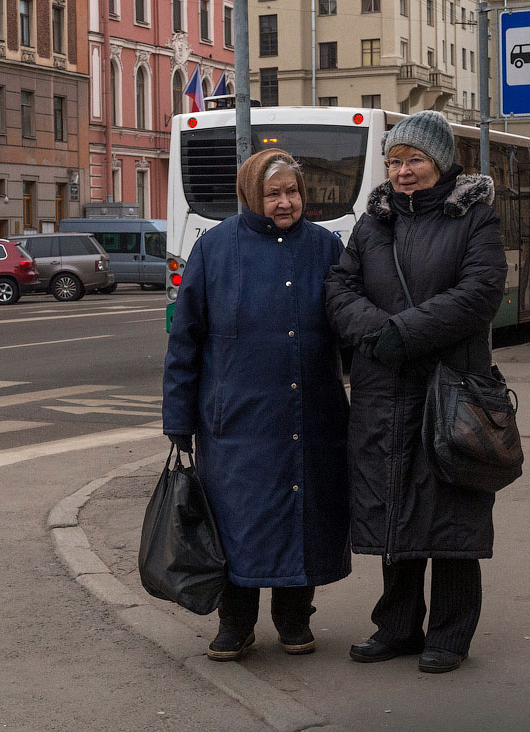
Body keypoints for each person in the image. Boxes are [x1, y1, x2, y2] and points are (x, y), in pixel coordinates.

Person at [325, 110, 507, 674]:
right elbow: (339, 286)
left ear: (442, 163)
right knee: (394, 508)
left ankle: (449, 635)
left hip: (451, 388)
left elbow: (479, 293)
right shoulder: (372, 221)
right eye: (395, 161)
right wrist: (375, 333)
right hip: (384, 389)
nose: (403, 172)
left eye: (415, 160)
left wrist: (402, 332)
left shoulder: (475, 217)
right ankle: (397, 626)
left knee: (451, 514)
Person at [162, 148, 351, 662]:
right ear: (251, 195)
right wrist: (178, 417)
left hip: (311, 413)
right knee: (235, 523)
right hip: (236, 421)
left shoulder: (325, 248)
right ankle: (236, 624)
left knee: (301, 514)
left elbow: (351, 324)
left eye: (292, 192)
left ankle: (294, 619)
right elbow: (186, 340)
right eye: (274, 194)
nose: (285, 202)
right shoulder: (215, 249)